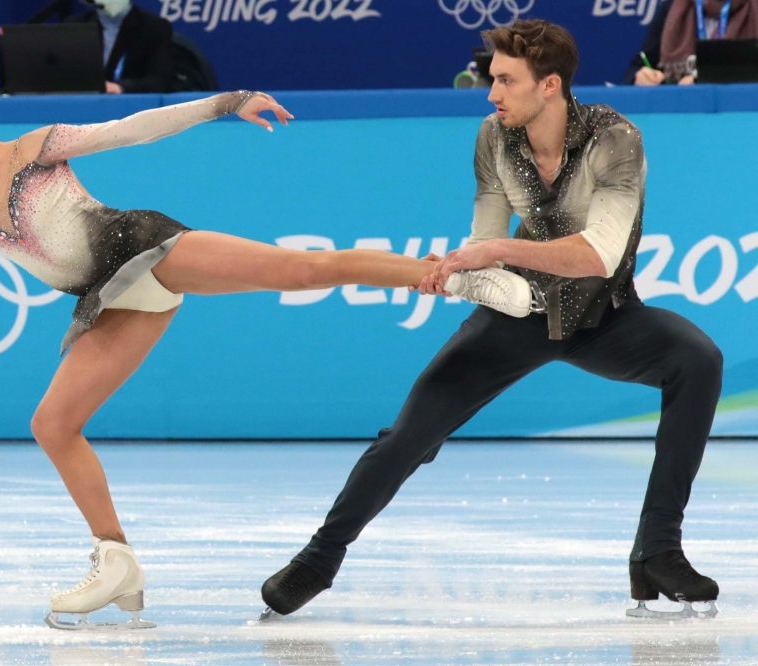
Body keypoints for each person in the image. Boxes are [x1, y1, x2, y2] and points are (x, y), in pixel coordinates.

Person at [0, 51, 531, 629]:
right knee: (52, 423)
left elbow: (131, 128)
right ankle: (118, 563)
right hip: (112, 300)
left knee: (304, 267)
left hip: (146, 250)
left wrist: (225, 102)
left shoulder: (36, 149)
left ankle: (454, 277)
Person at [262, 19, 723, 622]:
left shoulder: (615, 139)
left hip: (604, 315)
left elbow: (598, 254)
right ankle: (318, 560)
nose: (491, 93)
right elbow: (484, 239)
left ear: (550, 84)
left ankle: (657, 551)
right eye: (492, 79)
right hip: (515, 316)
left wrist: (499, 251)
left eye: (505, 80)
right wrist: (456, 271)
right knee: (408, 437)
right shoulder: (493, 137)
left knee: (698, 359)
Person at [625, 0, 758, 85]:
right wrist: (639, 77)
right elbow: (637, 67)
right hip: (682, 116)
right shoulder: (672, 7)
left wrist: (701, 81)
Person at [67, 0, 174, 94]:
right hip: (84, 105)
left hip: (130, 107)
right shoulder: (74, 26)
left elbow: (159, 81)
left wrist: (122, 88)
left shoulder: (155, 27)